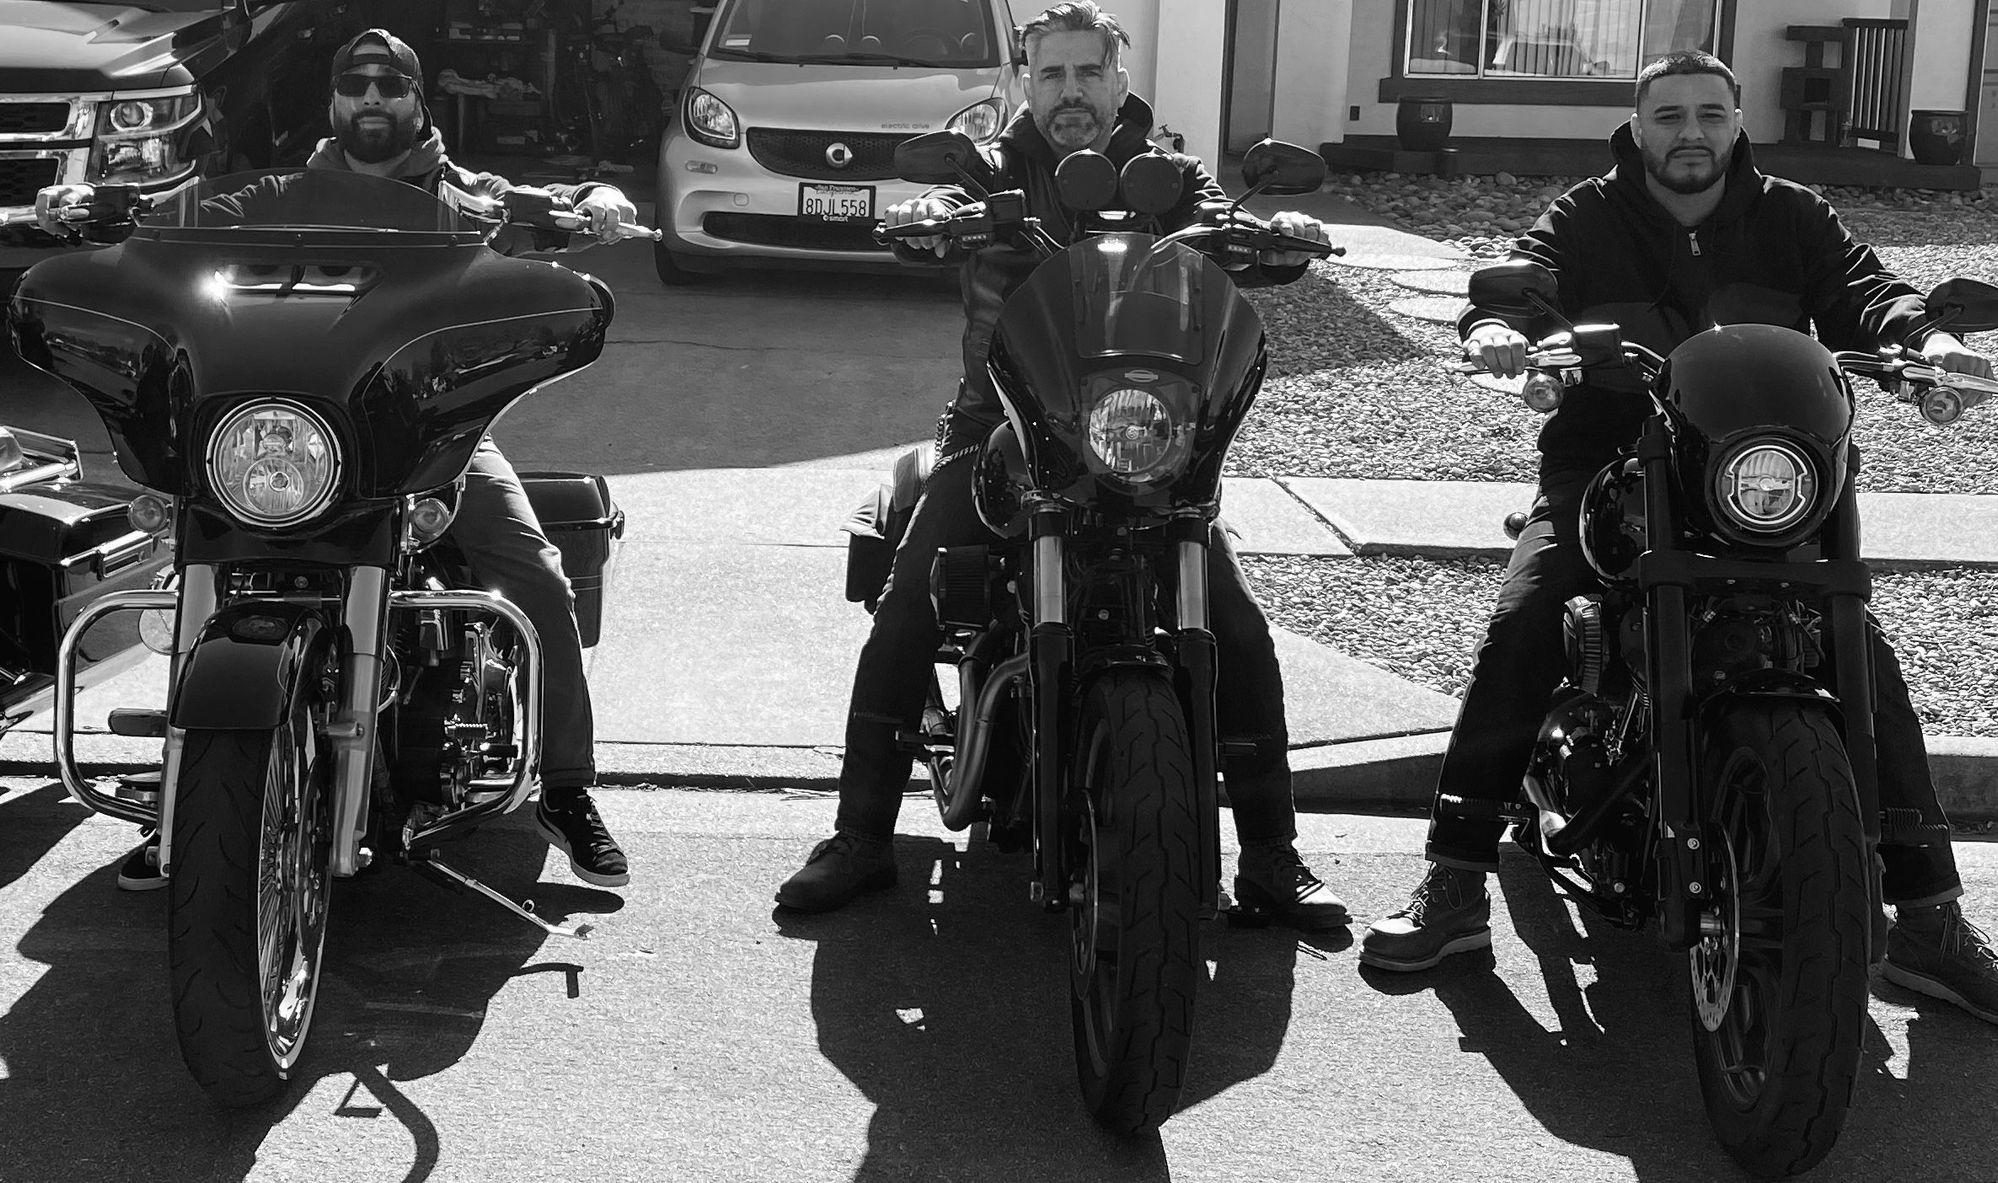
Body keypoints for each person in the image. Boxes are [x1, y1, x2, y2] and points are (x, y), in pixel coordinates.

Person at [1358, 50, 1998, 1025]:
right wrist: (1496, 323)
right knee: (1529, 611)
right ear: (1639, 124)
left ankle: (1929, 916)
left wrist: (1925, 341)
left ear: (1738, 122)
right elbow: (1528, 278)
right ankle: (1454, 877)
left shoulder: (1793, 216)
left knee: (1860, 648)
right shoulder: (1589, 214)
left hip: (1759, 478)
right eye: (1669, 115)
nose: (1690, 132)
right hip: (1610, 464)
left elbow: (1865, 290)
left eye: (1709, 113)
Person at [774, 1, 1349, 928]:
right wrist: (930, 215)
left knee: (1237, 625)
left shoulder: (1172, 175)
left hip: (1137, 436)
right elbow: (949, 203)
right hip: (1001, 429)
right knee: (911, 600)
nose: (1070, 91)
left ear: (1120, 82)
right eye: (1051, 74)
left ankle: (1273, 856)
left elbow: (1215, 221)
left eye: (1088, 73)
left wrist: (1269, 232)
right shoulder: (993, 167)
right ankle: (860, 835)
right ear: (1027, 84)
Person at [42, 29, 637, 892]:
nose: (372, 99)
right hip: (290, 433)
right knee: (202, 566)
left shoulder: (469, 198)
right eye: (356, 85)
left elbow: (553, 206)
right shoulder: (276, 196)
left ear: (418, 100)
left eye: (390, 85)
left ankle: (569, 786)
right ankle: (190, 799)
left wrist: (596, 199)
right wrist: (95, 204)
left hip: (422, 436)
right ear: (332, 101)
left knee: (532, 570)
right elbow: (172, 209)